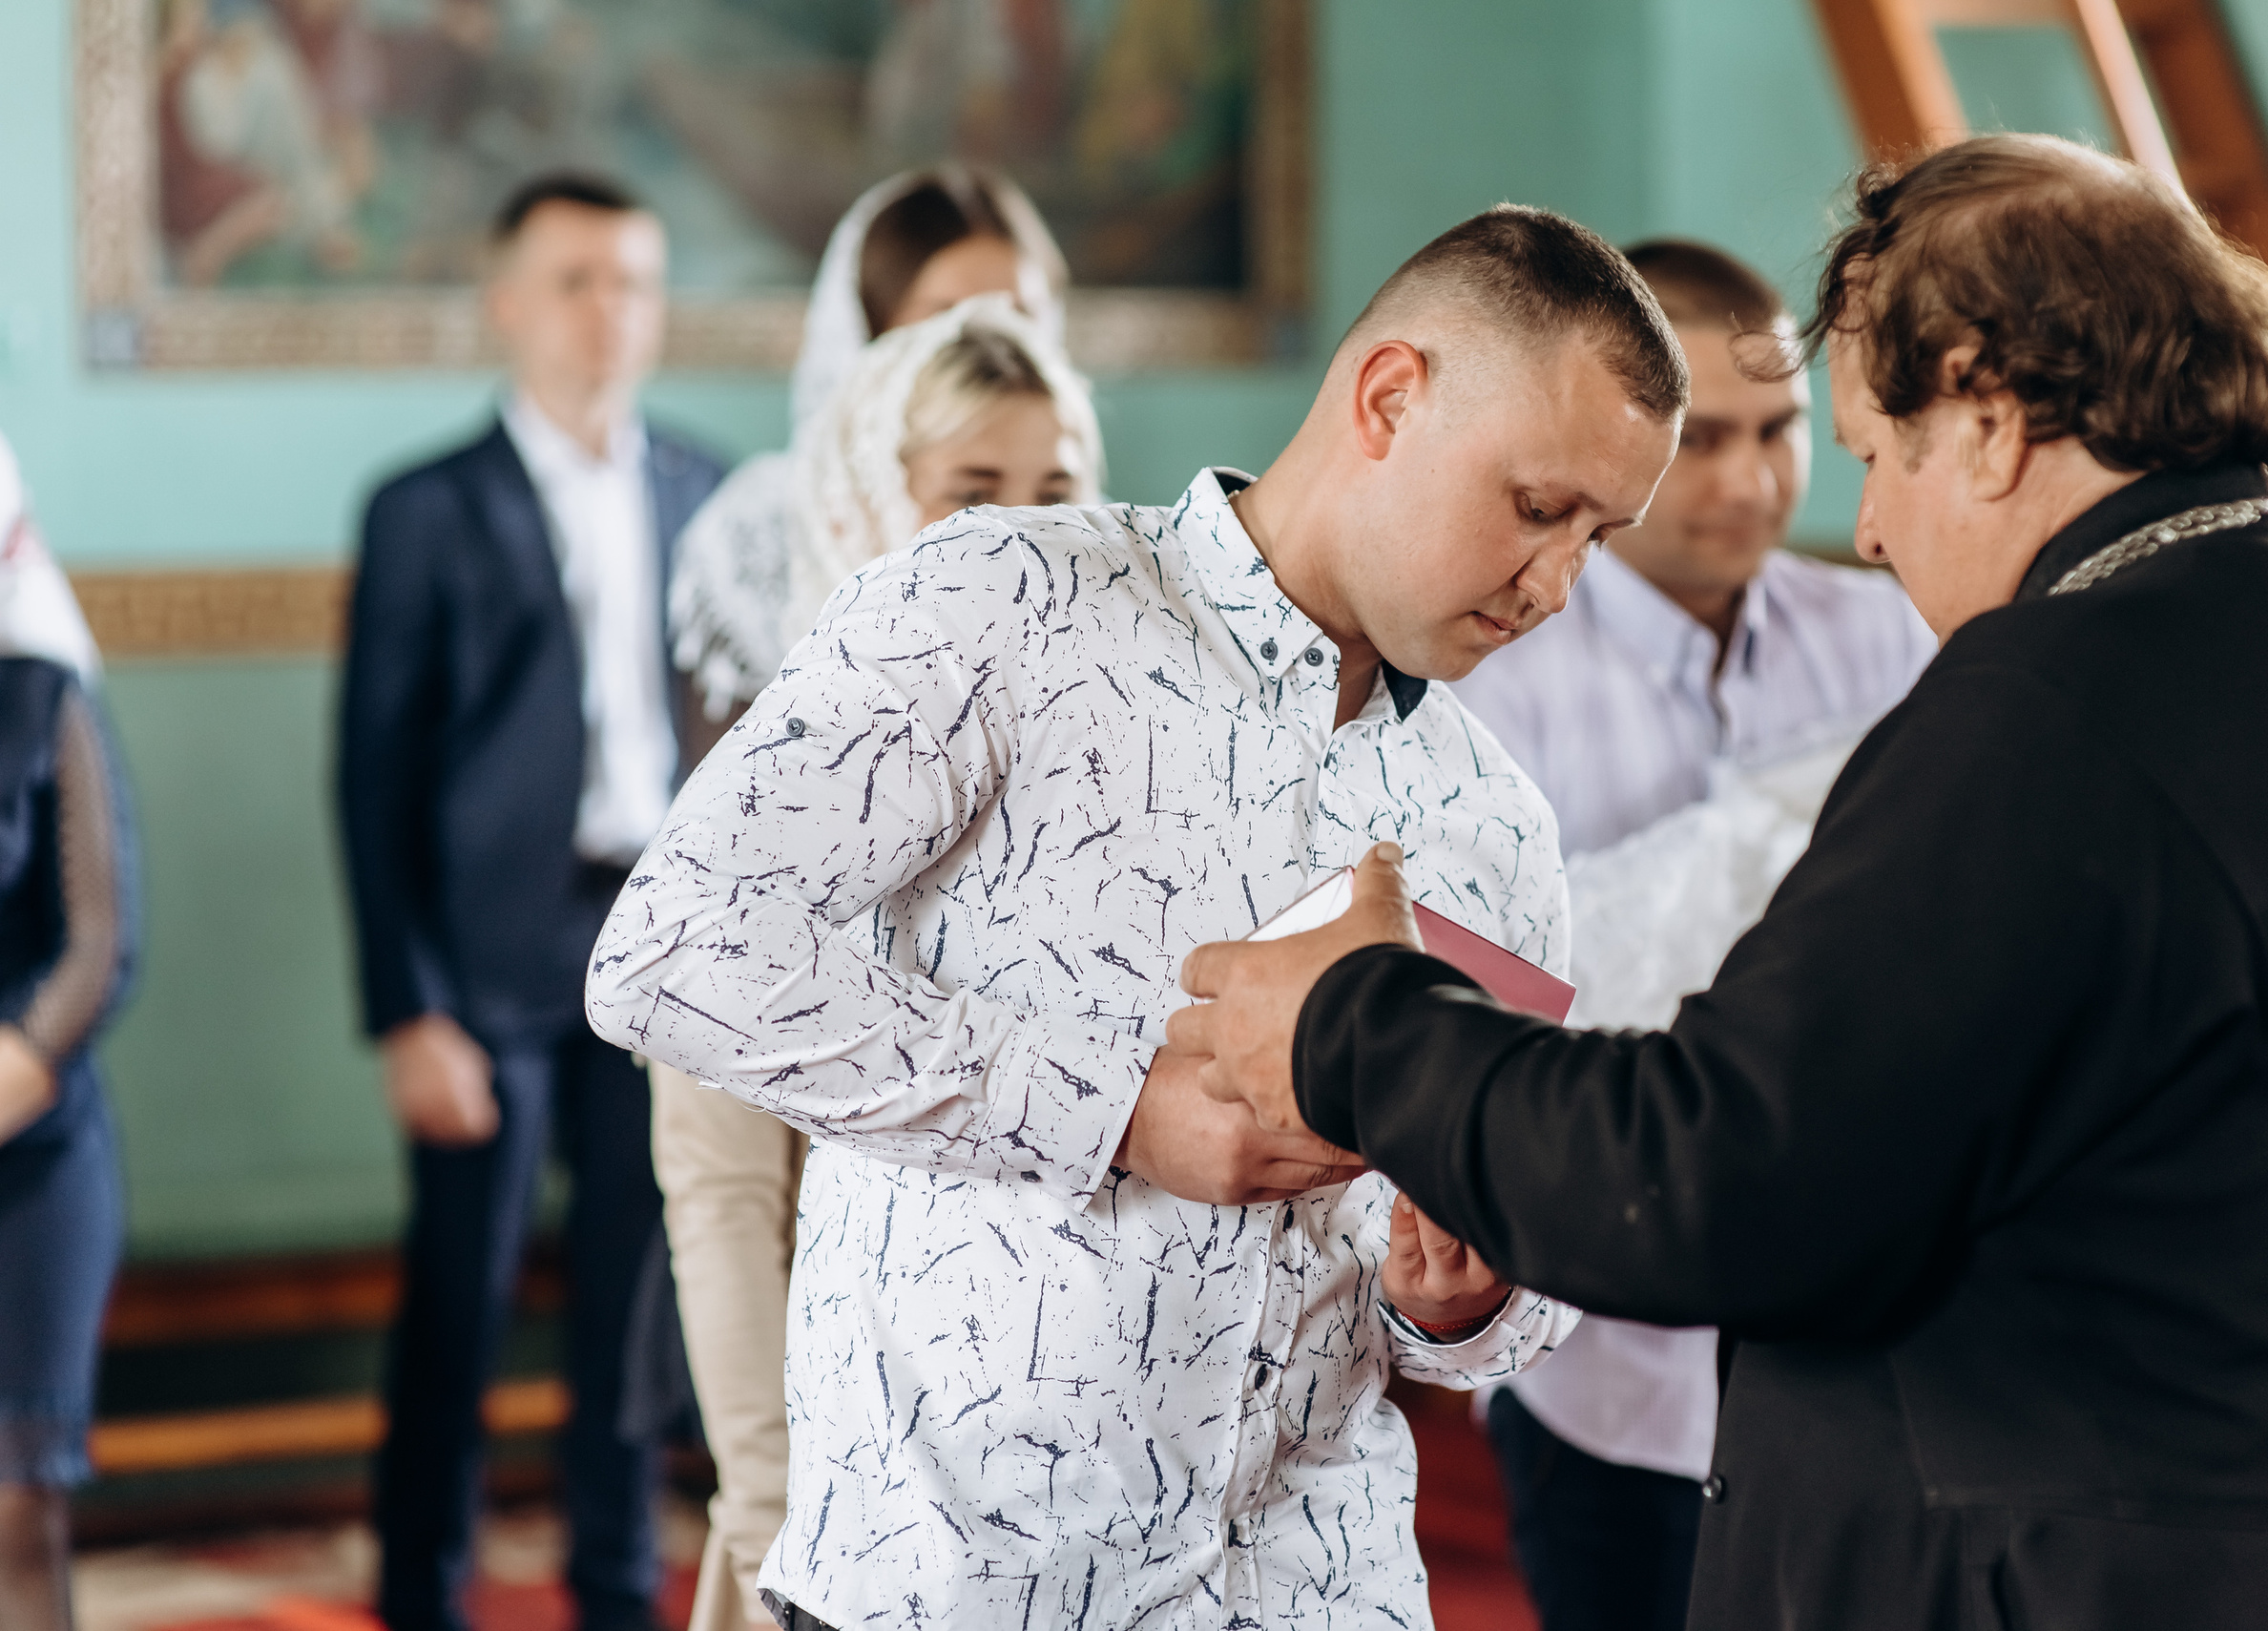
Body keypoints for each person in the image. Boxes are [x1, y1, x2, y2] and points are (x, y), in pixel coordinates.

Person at [1175, 133, 2268, 1630]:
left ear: (1984, 411)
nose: (1881, 529)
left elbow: (1719, 1174)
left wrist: (1352, 1027)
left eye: (1875, 453)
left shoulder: (2053, 708)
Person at [586, 205, 1689, 1630]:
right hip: (954, 1592)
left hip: (1321, 1591)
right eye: (1539, 509)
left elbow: (1501, 1317)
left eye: (1603, 535)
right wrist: (1115, 1109)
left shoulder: (1495, 820)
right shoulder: (1003, 599)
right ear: (1390, 397)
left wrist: (1470, 1294)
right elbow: (669, 950)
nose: (1558, 587)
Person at [1446, 239, 1932, 1631]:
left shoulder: (1897, 638)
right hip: (1609, 1361)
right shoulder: (1499, 678)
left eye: (1782, 432)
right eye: (1705, 441)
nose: (1751, 480)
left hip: (1858, 1331)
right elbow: (1497, 1002)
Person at [644, 164, 1066, 1631]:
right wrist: (766, 1481)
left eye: (1052, 490)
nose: (1014, 527)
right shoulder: (796, 683)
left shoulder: (1095, 685)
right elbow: (720, 1158)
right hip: (818, 1307)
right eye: (972, 491)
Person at [338, 172, 725, 1631]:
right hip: (485, 966)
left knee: (633, 1312)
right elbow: (369, 783)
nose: (608, 310)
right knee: (460, 1303)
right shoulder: (424, 509)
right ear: (508, 301)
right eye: (575, 279)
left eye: (633, 280)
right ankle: (420, 1590)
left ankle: (617, 1589)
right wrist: (404, 1008)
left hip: (658, 954)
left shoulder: (705, 489)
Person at [668, 164, 1068, 736]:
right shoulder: (758, 532)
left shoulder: (1080, 521)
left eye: (1018, 316)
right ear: (871, 327)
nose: (993, 345)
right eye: (948, 317)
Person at [0, 434, 138, 1631]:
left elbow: (100, 936)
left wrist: (21, 1055)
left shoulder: (40, 687)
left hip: (28, 1149)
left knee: (16, 1514)